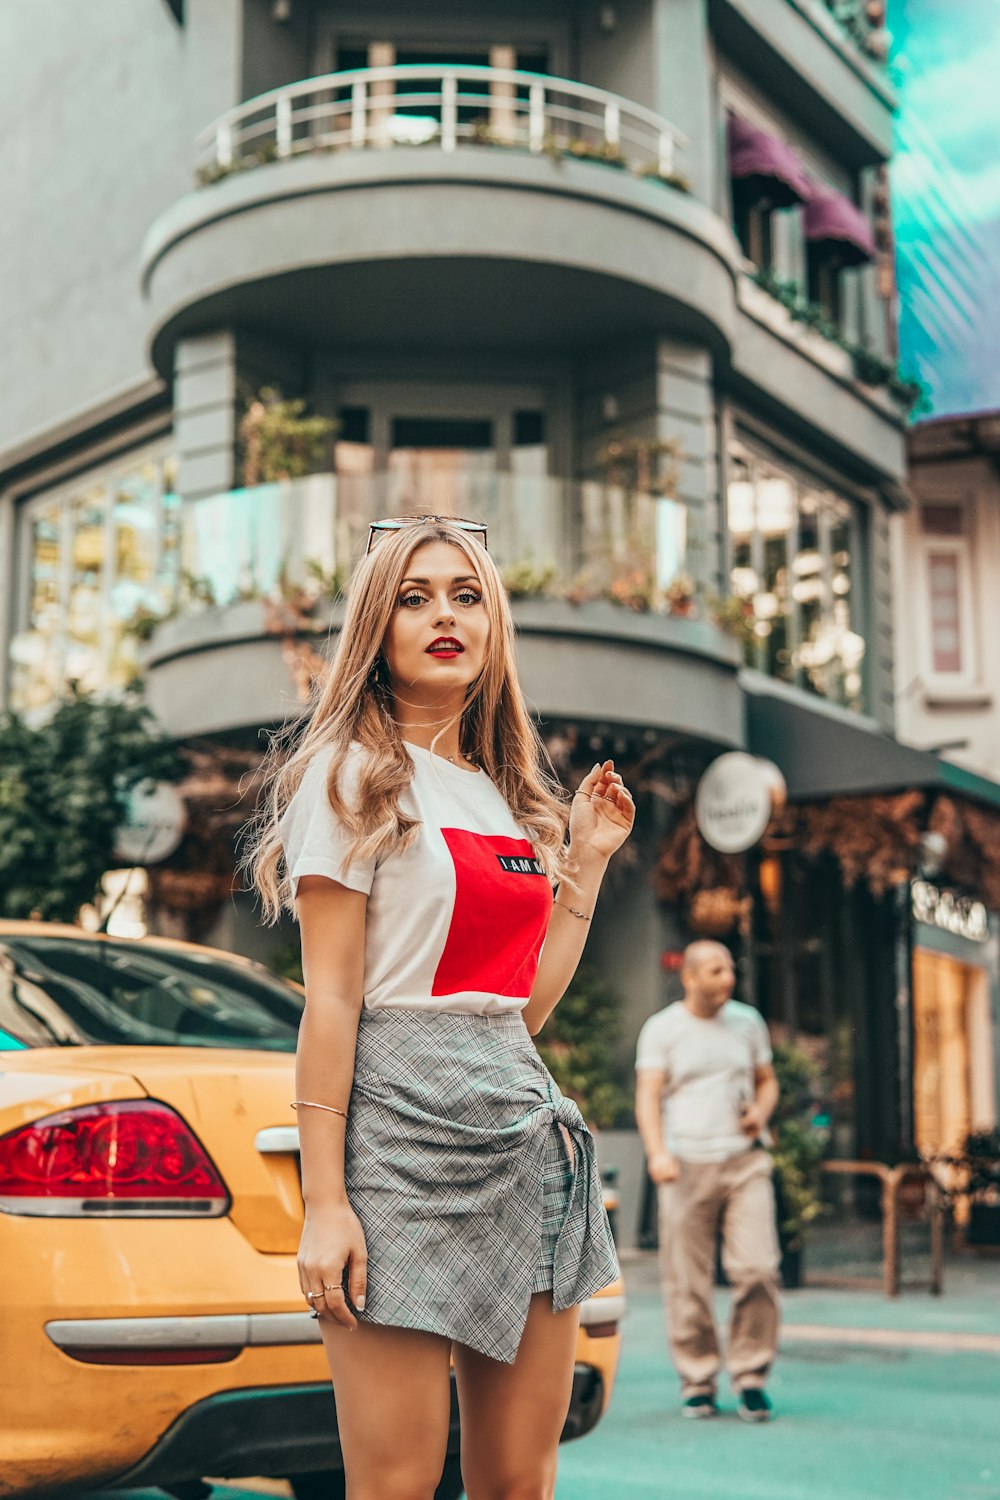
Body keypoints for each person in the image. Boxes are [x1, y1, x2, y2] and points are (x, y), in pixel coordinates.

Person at [244, 514, 633, 1500]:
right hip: (399, 1152)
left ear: (493, 625)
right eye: (413, 599)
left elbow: (521, 1010)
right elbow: (331, 1001)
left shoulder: (505, 798)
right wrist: (326, 1205)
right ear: (377, 629)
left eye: (466, 596)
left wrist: (582, 860)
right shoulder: (348, 776)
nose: (443, 615)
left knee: (518, 1483)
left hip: (526, 1141)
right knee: (396, 1486)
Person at [634, 940, 781, 1423]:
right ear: (690, 977)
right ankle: (698, 1379)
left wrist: (760, 1113)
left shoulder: (748, 1022)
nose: (728, 978)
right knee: (687, 1282)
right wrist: (658, 1154)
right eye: (716, 971)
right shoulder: (662, 1029)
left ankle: (751, 1375)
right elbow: (648, 1095)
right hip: (685, 1165)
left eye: (730, 969)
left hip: (744, 1163)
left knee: (758, 1268)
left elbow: (767, 1079)